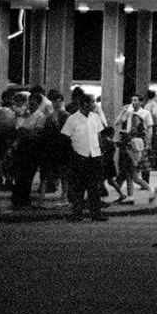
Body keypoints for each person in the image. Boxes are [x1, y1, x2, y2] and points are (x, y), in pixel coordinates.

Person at [61, 92, 108, 223]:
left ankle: (96, 213)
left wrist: (101, 151)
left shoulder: (95, 117)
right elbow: (65, 137)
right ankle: (77, 213)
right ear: (86, 104)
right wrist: (72, 154)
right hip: (79, 156)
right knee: (78, 187)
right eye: (93, 102)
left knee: (95, 187)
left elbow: (98, 135)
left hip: (95, 155)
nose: (95, 104)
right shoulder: (73, 119)